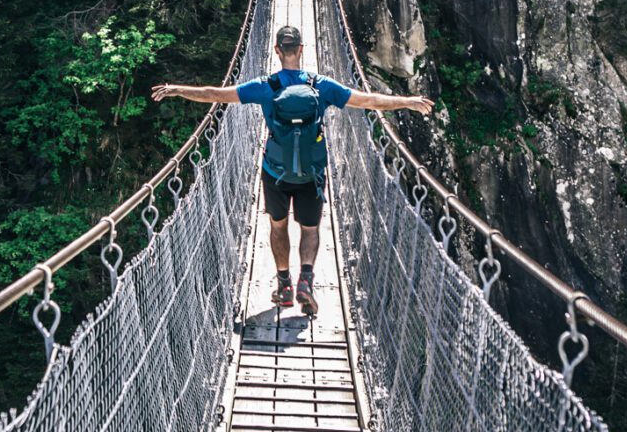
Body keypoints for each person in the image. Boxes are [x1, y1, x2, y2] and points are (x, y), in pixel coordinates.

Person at [150, 24, 433, 317]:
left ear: (276, 51)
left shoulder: (265, 86)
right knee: (310, 230)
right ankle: (306, 280)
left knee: (278, 226)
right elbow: (367, 100)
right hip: (311, 173)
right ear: (301, 50)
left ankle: (284, 284)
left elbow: (216, 95)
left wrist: (177, 90)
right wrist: (408, 102)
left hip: (275, 172)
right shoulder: (321, 85)